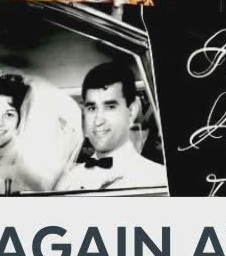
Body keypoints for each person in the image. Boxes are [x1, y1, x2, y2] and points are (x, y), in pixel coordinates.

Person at [53, 61, 156, 192]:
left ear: (131, 112)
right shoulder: (63, 182)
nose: (98, 121)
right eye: (91, 108)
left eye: (110, 107)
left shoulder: (157, 177)